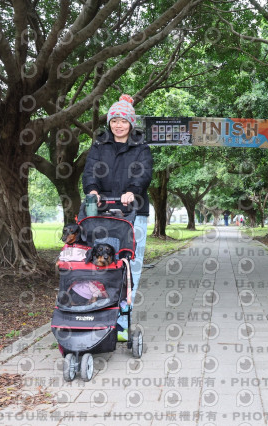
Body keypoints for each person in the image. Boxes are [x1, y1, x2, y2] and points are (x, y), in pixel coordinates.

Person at [82, 94, 153, 342]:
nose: (118, 125)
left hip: (134, 213)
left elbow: (144, 173)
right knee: (101, 263)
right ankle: (97, 315)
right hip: (103, 214)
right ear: (109, 122)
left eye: (123, 121)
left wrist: (132, 191)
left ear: (131, 123)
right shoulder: (99, 145)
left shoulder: (141, 147)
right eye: (114, 121)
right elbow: (90, 171)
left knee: (130, 266)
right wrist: (92, 190)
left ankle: (121, 322)